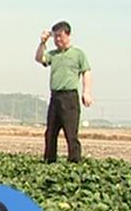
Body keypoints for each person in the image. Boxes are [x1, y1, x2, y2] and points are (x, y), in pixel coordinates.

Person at [34, 21, 93, 163]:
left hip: (70, 97)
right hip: (55, 97)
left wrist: (87, 92)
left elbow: (86, 72)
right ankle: (49, 160)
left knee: (71, 133)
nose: (57, 40)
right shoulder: (53, 54)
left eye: (60, 36)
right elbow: (39, 58)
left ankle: (74, 162)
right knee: (50, 133)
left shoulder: (78, 54)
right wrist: (42, 43)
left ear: (68, 35)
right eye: (55, 37)